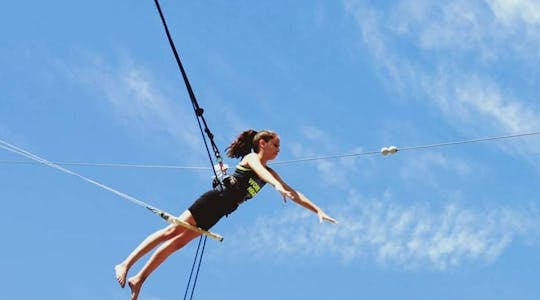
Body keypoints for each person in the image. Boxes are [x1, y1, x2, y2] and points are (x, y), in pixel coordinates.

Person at [114, 129, 337, 300]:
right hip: (214, 199)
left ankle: (139, 279)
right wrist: (275, 185)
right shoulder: (252, 160)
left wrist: (317, 209)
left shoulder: (271, 172)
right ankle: (125, 264)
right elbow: (260, 172)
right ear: (262, 143)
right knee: (171, 231)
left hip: (223, 211)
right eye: (275, 144)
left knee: (177, 244)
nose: (279, 149)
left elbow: (294, 193)